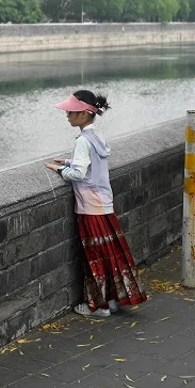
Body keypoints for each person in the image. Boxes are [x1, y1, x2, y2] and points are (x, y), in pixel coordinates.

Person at [45, 89, 148, 318]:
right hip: (105, 204)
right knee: (109, 253)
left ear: (84, 114)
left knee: (94, 256)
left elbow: (79, 173)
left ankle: (98, 307)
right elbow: (94, 162)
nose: (67, 115)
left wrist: (61, 168)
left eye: (71, 112)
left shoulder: (83, 140)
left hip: (89, 206)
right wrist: (70, 160)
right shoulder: (97, 136)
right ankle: (111, 301)